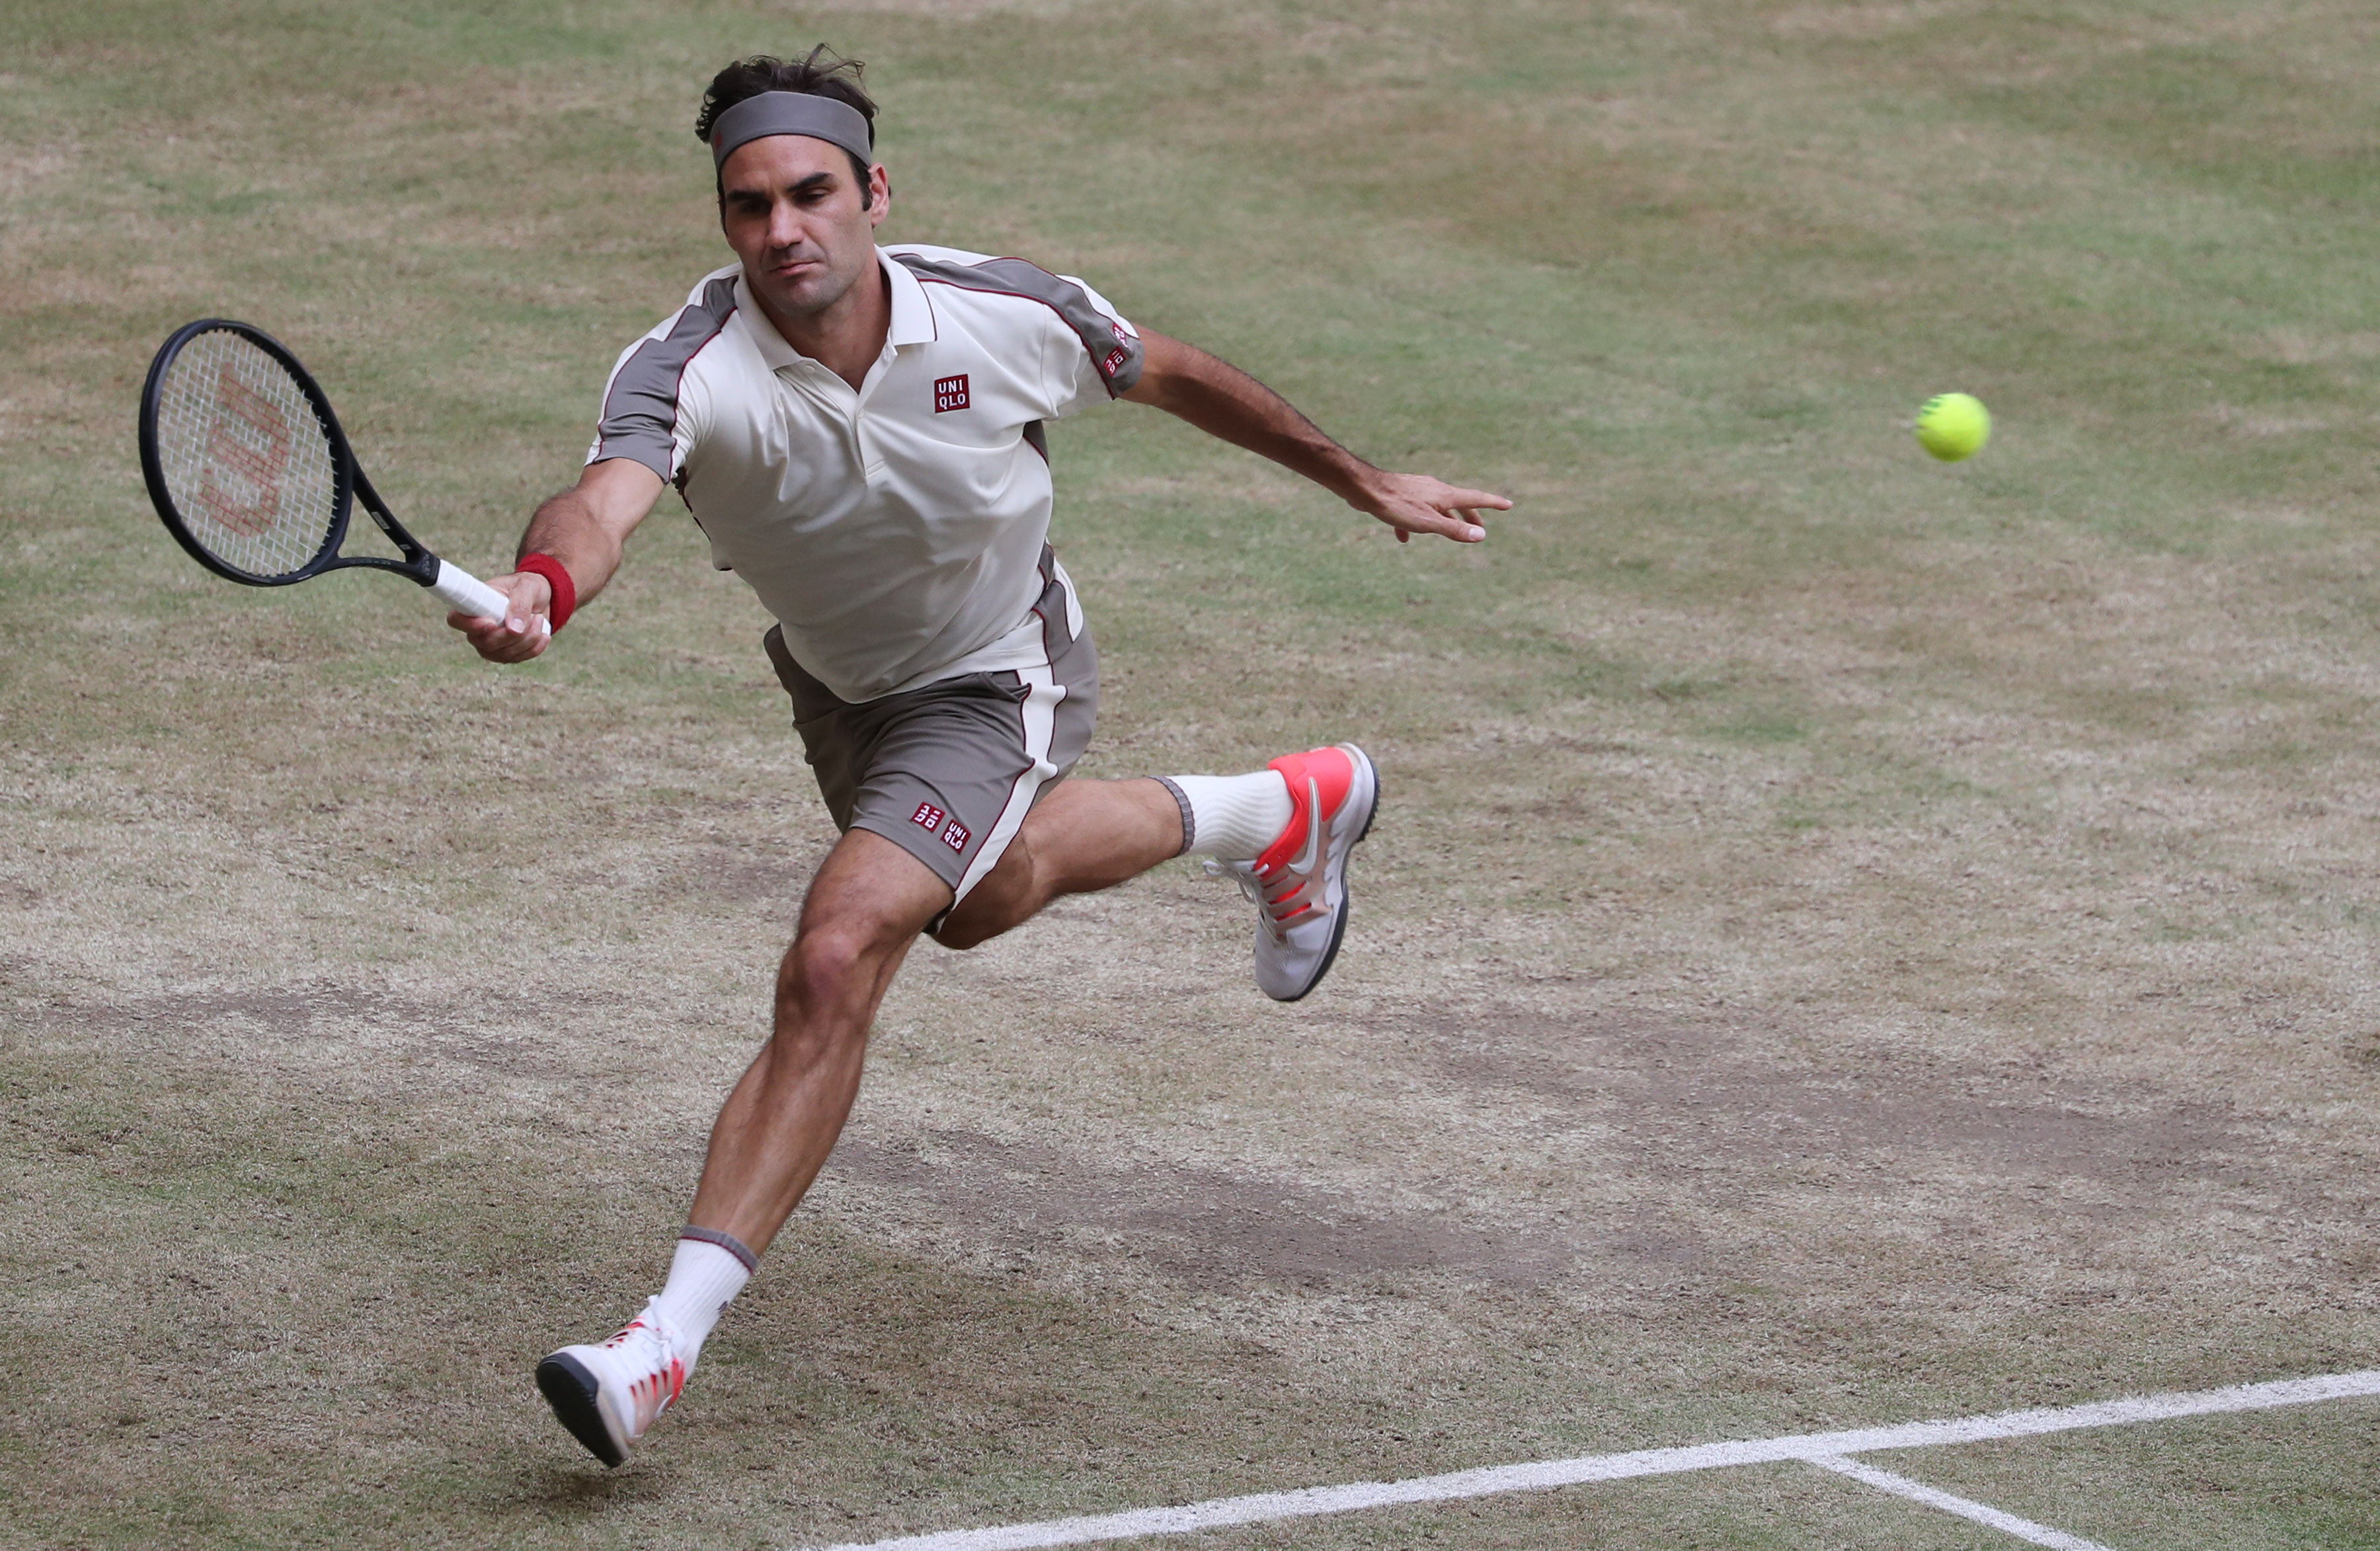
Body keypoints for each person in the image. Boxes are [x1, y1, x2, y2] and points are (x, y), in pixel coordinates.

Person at [452, 47, 1511, 1468]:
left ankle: (658, 1351)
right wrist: (547, 587)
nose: (785, 229)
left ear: (874, 191)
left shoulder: (999, 315)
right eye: (751, 204)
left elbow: (1173, 372)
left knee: (839, 952)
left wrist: (1366, 479)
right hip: (842, 694)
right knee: (984, 898)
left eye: (814, 193)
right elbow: (602, 500)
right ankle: (1283, 809)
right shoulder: (687, 367)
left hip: (997, 672)